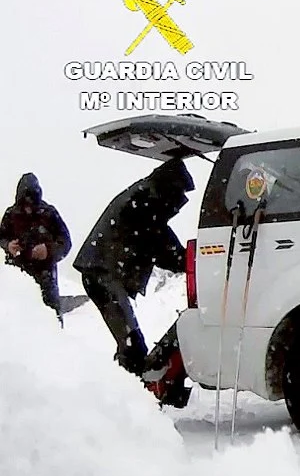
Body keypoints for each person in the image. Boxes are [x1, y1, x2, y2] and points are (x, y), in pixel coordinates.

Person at [74, 158, 193, 376]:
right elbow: (159, 242)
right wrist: (187, 260)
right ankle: (132, 392)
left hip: (100, 271)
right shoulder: (145, 200)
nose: (179, 202)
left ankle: (132, 387)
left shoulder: (145, 195)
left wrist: (183, 258)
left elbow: (159, 237)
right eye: (180, 194)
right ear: (170, 187)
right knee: (132, 343)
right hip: (102, 273)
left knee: (130, 340)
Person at [0, 173, 72, 321]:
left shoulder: (49, 214)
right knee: (15, 318)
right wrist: (9, 245)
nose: (28, 209)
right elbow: (1, 237)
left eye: (32, 203)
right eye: (25, 204)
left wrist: (48, 250)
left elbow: (65, 242)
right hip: (17, 274)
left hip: (45, 276)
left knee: (51, 318)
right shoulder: (11, 214)